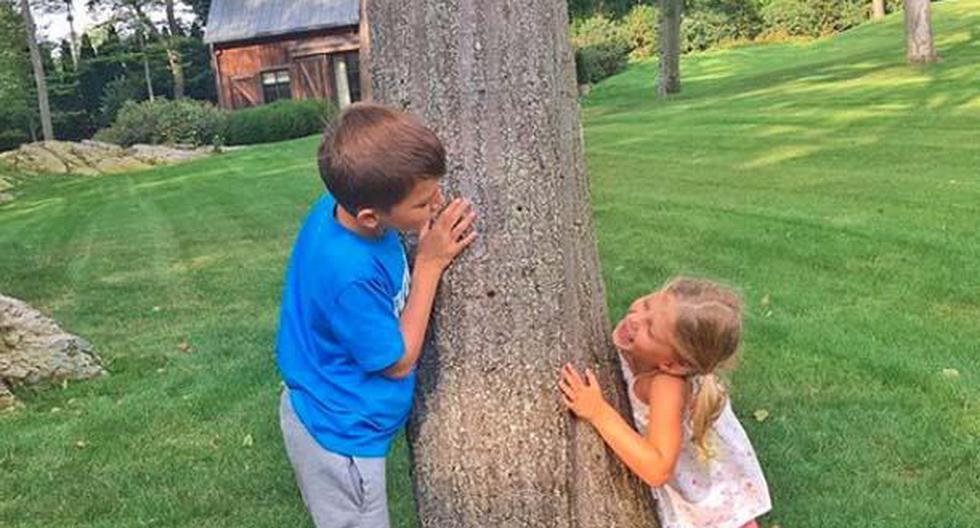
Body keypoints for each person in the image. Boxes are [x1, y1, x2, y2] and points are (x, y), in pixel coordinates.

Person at [276, 103, 477, 527]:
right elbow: (397, 361)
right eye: (424, 203)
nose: (438, 202)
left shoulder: (346, 205)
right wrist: (429, 265)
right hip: (339, 435)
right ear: (369, 216)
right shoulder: (347, 272)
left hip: (332, 407)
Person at [560, 277, 771, 528]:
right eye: (647, 304)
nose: (635, 318)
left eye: (650, 329)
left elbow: (657, 468)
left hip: (713, 509)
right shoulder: (649, 353)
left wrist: (597, 412)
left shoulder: (667, 386)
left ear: (672, 364)